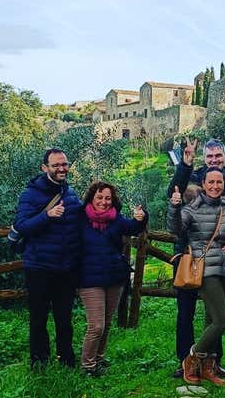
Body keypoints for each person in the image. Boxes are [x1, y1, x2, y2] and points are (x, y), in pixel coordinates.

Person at [166, 138, 225, 379]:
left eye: (218, 156)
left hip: (218, 259)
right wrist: (185, 165)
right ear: (204, 159)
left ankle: (212, 361)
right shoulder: (192, 178)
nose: (214, 160)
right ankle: (184, 361)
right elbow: (173, 193)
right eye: (209, 157)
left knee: (215, 313)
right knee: (185, 311)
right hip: (189, 256)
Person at [14, 148, 83, 369]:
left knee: (64, 319)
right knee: (38, 318)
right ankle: (39, 361)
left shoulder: (70, 193)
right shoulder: (30, 194)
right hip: (39, 267)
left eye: (65, 164)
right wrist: (46, 215)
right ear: (45, 168)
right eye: (56, 165)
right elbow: (22, 225)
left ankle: (67, 360)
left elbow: (81, 224)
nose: (62, 168)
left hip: (66, 268)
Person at [77, 181, 147, 376]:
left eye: (108, 198)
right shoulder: (80, 219)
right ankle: (87, 366)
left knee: (107, 323)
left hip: (114, 277)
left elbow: (133, 227)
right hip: (88, 279)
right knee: (96, 325)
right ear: (92, 198)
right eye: (100, 197)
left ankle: (99, 360)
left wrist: (141, 218)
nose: (104, 202)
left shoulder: (116, 219)